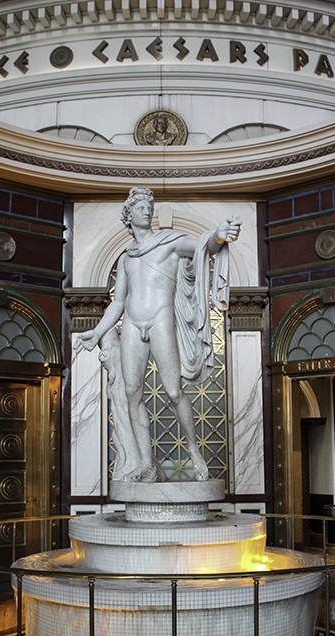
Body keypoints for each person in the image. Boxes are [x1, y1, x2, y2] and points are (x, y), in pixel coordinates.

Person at [80, 187, 241, 482]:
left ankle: (193, 451)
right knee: (132, 393)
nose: (147, 211)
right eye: (140, 207)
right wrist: (98, 332)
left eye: (148, 207)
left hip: (160, 320)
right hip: (131, 324)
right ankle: (147, 463)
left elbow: (202, 247)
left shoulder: (168, 243)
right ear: (129, 215)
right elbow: (118, 303)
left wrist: (218, 236)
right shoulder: (126, 258)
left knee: (173, 391)